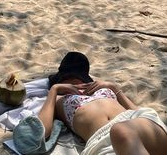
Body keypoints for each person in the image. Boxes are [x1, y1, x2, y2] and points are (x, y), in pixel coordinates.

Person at [38, 52, 167, 155]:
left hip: (137, 124)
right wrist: (54, 90)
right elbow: (42, 132)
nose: (76, 82)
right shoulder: (58, 97)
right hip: (103, 141)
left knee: (122, 131)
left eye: (78, 78)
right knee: (121, 132)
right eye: (69, 79)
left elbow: (137, 111)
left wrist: (113, 88)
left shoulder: (101, 87)